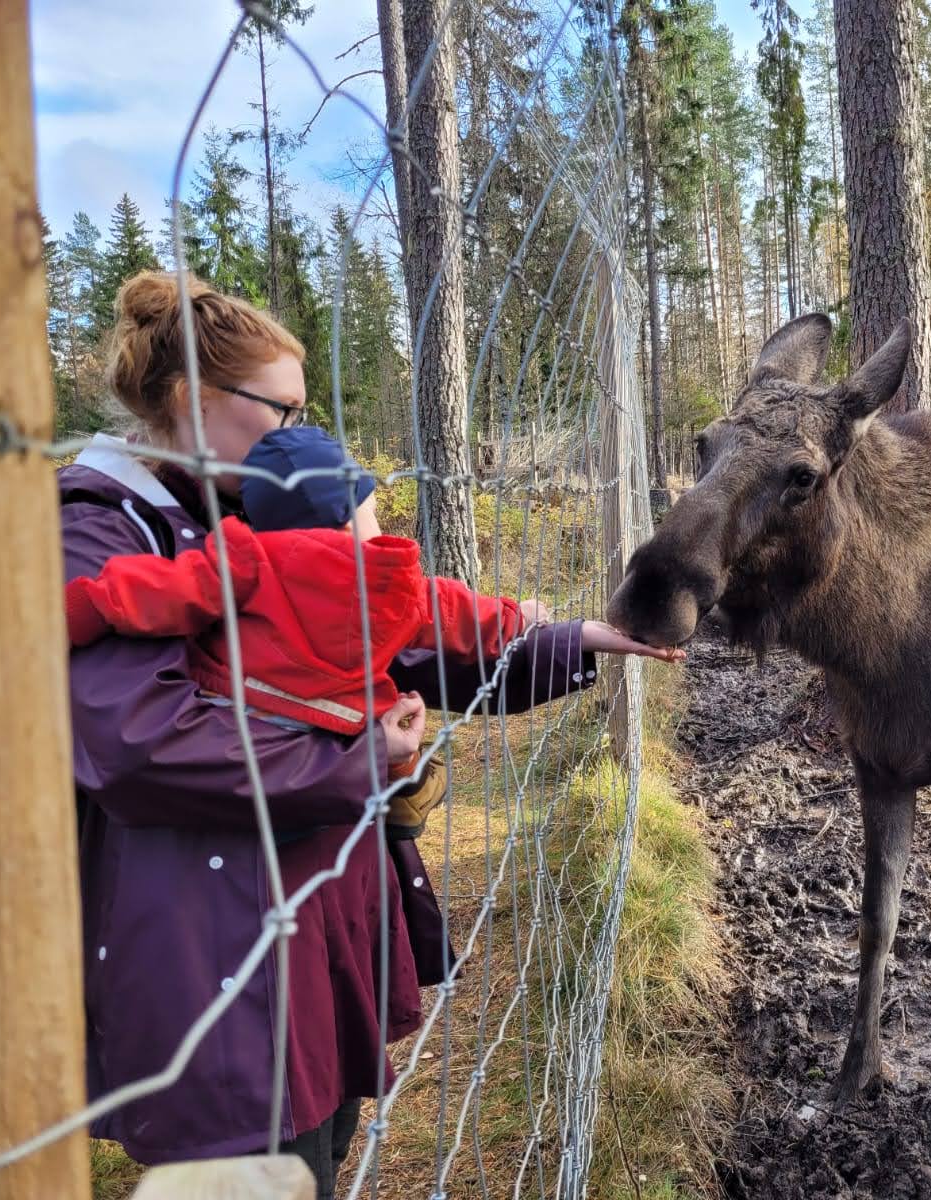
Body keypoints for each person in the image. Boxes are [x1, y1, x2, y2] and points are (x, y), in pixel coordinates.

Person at [59, 270, 671, 1197]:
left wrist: (568, 642)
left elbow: (404, 629)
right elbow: (137, 741)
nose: (306, 431)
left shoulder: (257, 509)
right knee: (263, 1163)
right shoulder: (103, 529)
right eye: (285, 408)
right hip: (215, 951)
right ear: (192, 402)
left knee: (323, 1141)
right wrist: (357, 759)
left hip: (318, 911)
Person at [64, 425, 672, 836]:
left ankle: (396, 783)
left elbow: (152, 595)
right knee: (397, 710)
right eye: (369, 503)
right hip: (345, 727)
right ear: (347, 510)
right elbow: (460, 612)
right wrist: (526, 618)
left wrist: (74, 611)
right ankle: (406, 787)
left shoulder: (242, 557)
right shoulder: (390, 580)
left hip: (247, 715)